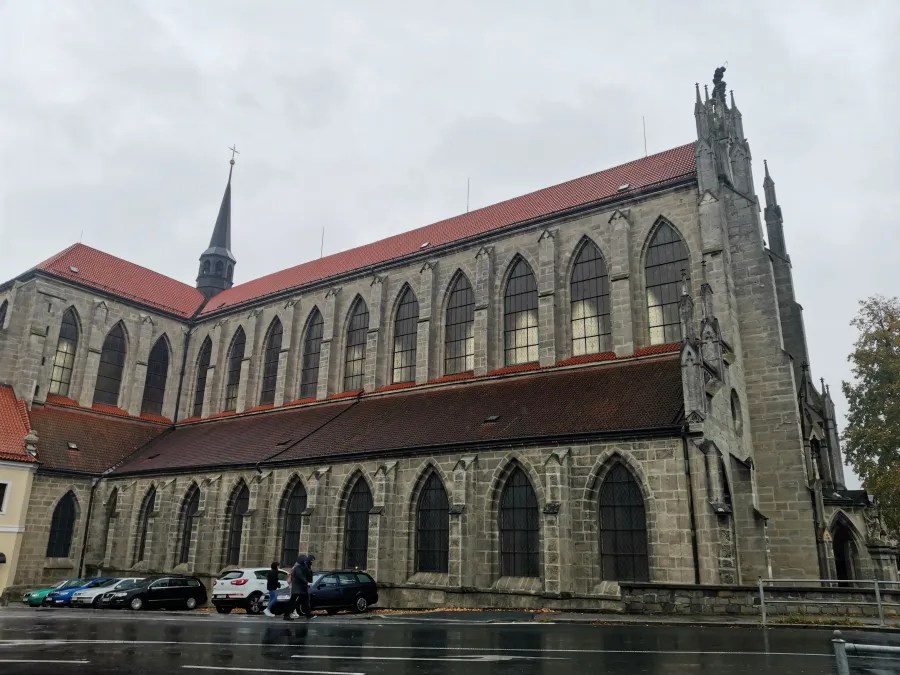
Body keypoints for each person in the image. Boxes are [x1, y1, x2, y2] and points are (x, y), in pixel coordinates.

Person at [283, 554, 313, 620]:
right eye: (304, 560)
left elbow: (308, 574)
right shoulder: (297, 568)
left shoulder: (304, 567)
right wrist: (307, 582)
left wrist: (309, 568)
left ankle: (308, 614)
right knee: (293, 601)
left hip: (302, 588)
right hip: (298, 588)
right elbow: (300, 576)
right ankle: (286, 615)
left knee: (305, 601)